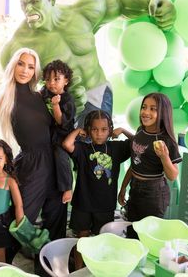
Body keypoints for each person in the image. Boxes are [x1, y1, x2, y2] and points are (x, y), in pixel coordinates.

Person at [0, 0, 176, 123]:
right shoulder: (18, 47)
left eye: (35, 2)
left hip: (98, 93)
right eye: (24, 5)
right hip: (62, 106)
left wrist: (153, 0)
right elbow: (21, 97)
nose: (29, 10)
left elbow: (117, 1)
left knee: (99, 158)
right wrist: (53, 103)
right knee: (68, 162)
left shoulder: (80, 14)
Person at [0, 48, 67, 248]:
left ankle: (48, 268)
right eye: (21, 64)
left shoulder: (40, 96)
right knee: (19, 223)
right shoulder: (3, 98)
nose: (25, 70)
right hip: (31, 166)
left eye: (30, 66)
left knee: (56, 223)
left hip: (54, 164)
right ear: (13, 65)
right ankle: (4, 265)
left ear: (35, 71)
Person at [62, 110, 132, 269]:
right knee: (82, 239)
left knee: (102, 239)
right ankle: (79, 270)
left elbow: (138, 143)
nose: (99, 134)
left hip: (105, 205)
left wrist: (123, 130)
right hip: (83, 203)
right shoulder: (83, 149)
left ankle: (98, 268)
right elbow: (67, 144)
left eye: (104, 129)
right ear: (88, 130)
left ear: (110, 129)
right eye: (94, 129)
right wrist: (77, 131)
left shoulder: (116, 148)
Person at [118, 93, 182, 239]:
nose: (146, 112)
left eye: (153, 109)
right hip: (134, 188)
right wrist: (123, 188)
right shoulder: (141, 130)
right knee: (132, 232)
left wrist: (164, 157)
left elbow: (172, 175)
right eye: (144, 107)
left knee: (148, 236)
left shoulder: (167, 140)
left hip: (153, 193)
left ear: (163, 113)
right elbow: (137, 158)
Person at [41, 59, 76, 204]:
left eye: (57, 79)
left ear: (66, 81)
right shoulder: (45, 93)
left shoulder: (67, 100)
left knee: (60, 157)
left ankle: (67, 187)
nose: (52, 83)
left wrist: (55, 105)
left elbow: (61, 121)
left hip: (63, 137)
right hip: (48, 135)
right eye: (48, 79)